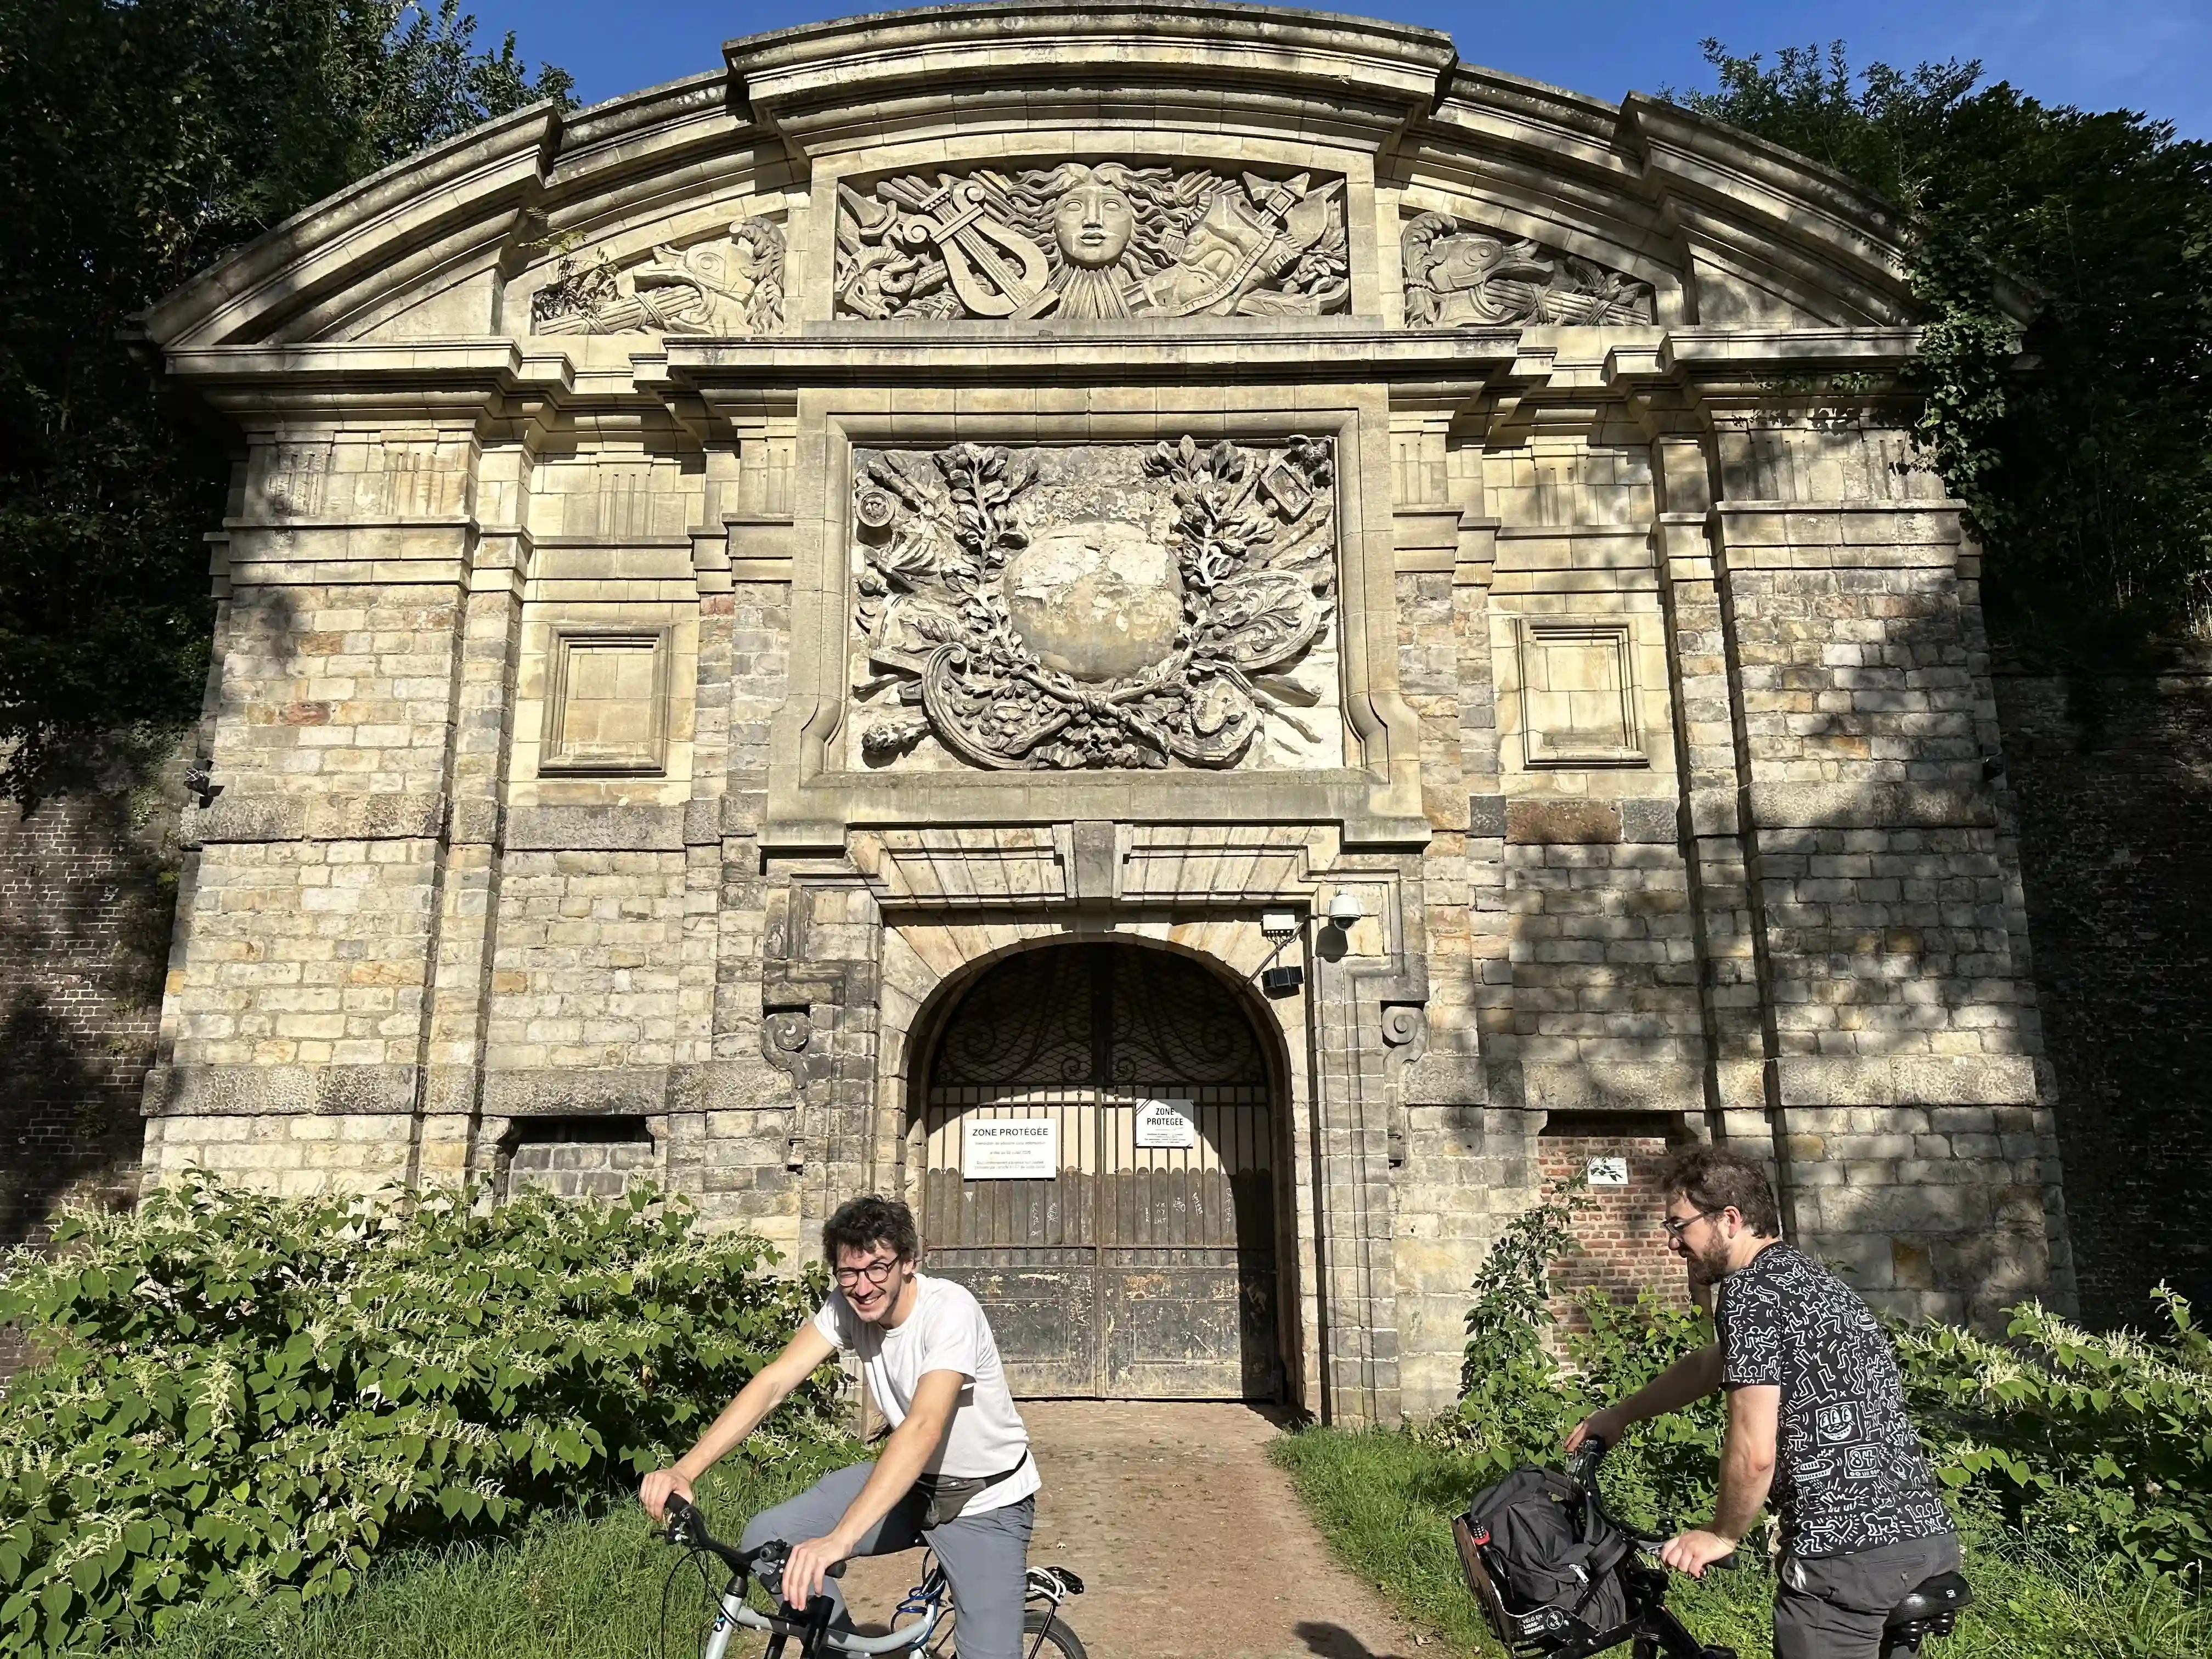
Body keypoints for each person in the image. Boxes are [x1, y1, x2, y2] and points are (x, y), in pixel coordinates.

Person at [1564, 1146, 1959, 1659]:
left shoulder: (1749, 1292)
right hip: (1921, 1537)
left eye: (1679, 1226)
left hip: (1847, 1556)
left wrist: (1722, 1535)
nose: (1672, 1243)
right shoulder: (1809, 1280)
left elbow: (1755, 1452)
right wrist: (1623, 1413)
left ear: (1729, 1220)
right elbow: (1714, 1364)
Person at [640, 1194, 1039, 1659]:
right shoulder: (845, 1304)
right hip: (911, 1486)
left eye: (877, 1269)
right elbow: (774, 1382)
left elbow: (923, 1427)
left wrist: (839, 1540)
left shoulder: (950, 1311)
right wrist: (685, 1470)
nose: (863, 1286)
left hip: (982, 1500)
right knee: (770, 1539)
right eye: (848, 1273)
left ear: (909, 1261)